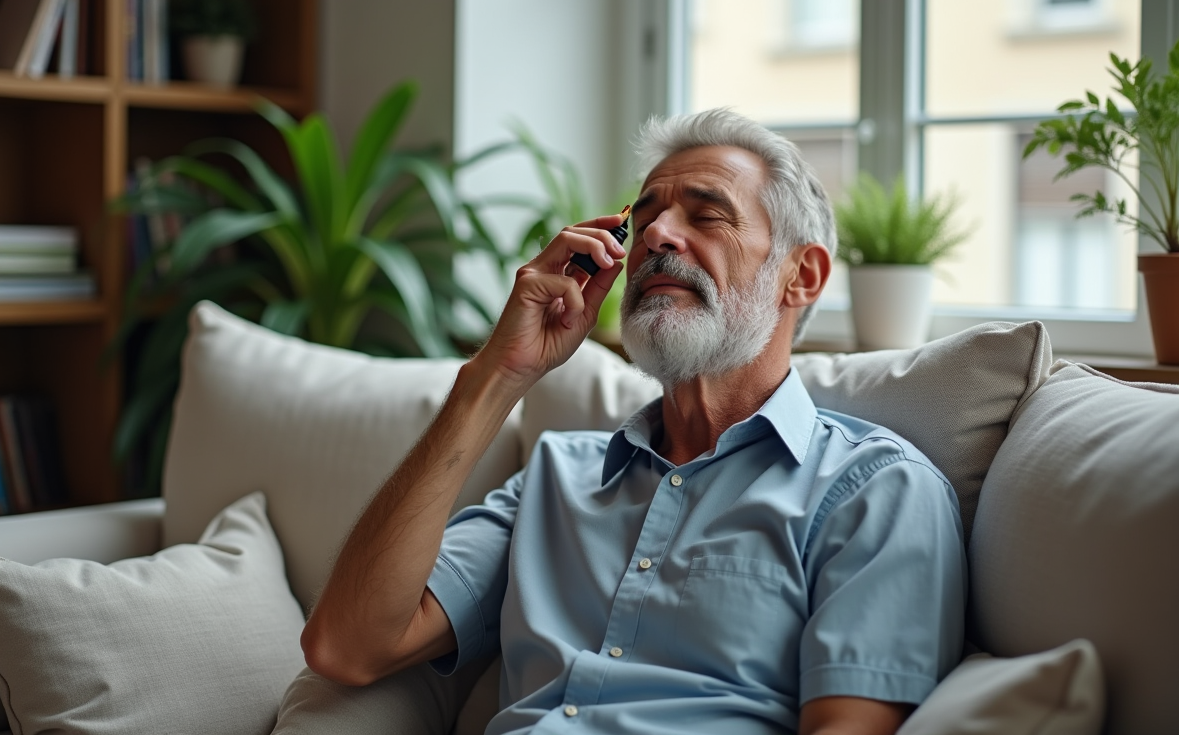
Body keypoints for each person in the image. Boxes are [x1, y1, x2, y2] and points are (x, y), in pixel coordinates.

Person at [301, 109, 967, 735]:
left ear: (801, 275)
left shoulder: (875, 490)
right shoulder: (554, 481)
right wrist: (493, 378)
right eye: (642, 219)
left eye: (707, 216)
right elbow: (347, 646)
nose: (654, 236)